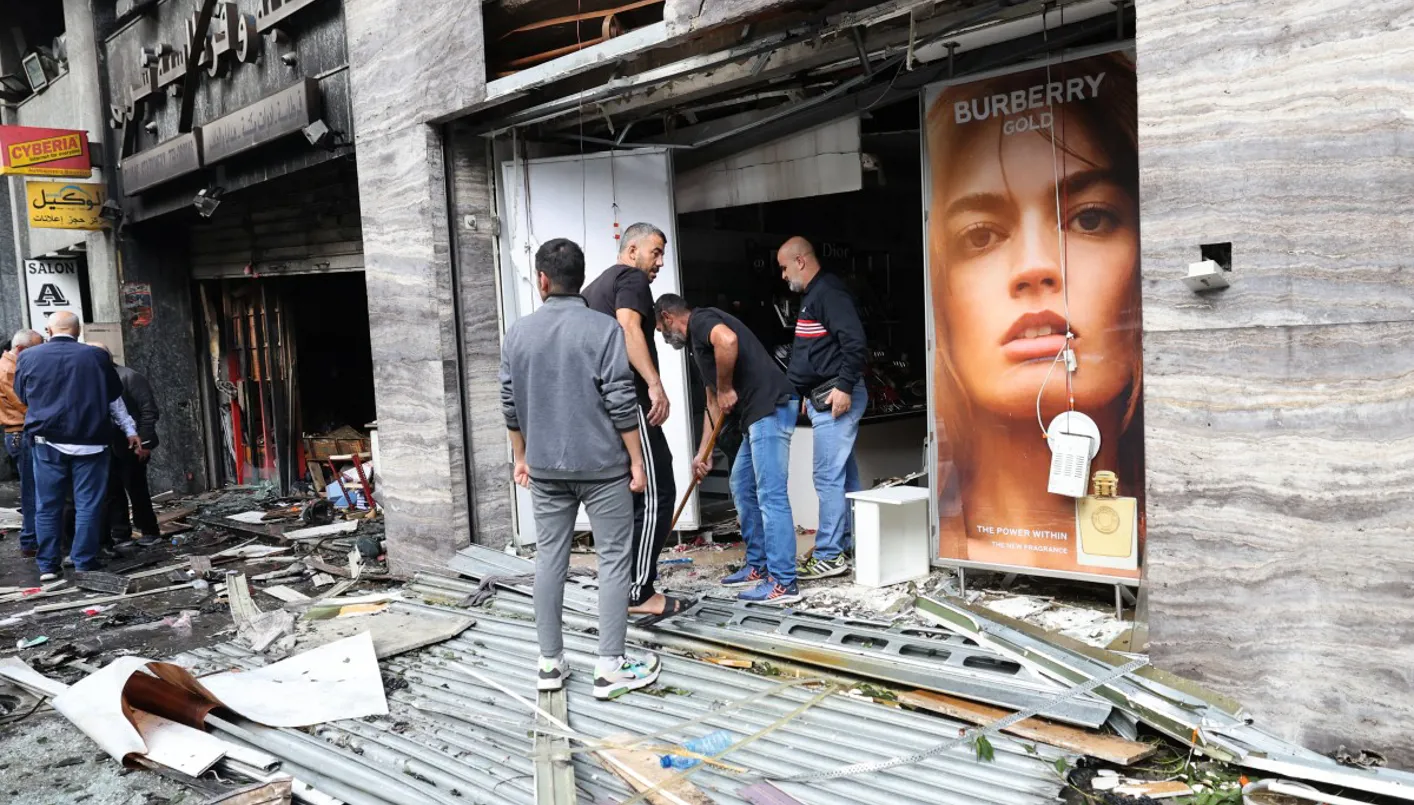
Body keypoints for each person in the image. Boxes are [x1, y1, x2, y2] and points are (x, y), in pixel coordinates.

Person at [925, 51, 1143, 572]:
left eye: (1090, 219)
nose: (1034, 267)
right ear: (942, 294)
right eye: (980, 235)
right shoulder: (942, 544)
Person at [500, 237, 661, 700]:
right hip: (604, 467)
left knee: (550, 559)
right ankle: (609, 667)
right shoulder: (604, 329)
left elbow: (509, 402)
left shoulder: (518, 333)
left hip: (546, 469)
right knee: (613, 560)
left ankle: (550, 663)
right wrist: (637, 461)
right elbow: (620, 400)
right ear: (581, 279)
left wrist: (521, 457)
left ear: (543, 280)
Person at [655, 294, 800, 604]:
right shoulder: (696, 346)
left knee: (770, 495)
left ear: (668, 317)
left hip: (769, 408)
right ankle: (758, 566)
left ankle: (784, 582)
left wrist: (725, 387)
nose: (663, 337)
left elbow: (728, 341)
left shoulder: (702, 320)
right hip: (755, 417)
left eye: (660, 329)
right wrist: (703, 452)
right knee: (742, 486)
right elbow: (713, 402)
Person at [581, 222, 682, 618]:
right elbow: (628, 326)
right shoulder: (630, 278)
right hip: (630, 403)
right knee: (658, 492)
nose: (659, 262)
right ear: (632, 249)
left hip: (603, 409)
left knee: (630, 499)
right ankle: (637, 594)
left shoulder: (594, 290)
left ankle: (621, 585)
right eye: (656, 252)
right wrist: (654, 385)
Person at [14, 312, 140, 580]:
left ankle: (48, 566)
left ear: (49, 330)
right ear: (78, 330)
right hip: (91, 442)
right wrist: (130, 429)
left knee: (48, 505)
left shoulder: (29, 357)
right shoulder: (96, 357)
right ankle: (84, 561)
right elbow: (113, 396)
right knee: (88, 504)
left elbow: (23, 396)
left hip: (47, 442)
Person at [777, 236, 868, 580]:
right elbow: (815, 353)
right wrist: (804, 390)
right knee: (843, 476)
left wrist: (844, 387)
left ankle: (830, 554)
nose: (783, 276)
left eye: (784, 268)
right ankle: (851, 543)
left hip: (835, 397)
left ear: (800, 261)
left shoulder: (828, 292)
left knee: (827, 476)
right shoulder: (813, 295)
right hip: (821, 396)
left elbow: (855, 343)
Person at [90, 343, 162, 549]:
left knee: (137, 489)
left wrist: (145, 442)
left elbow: (148, 411)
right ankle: (121, 533)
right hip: (106, 446)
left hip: (131, 444)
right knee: (112, 492)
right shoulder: (94, 379)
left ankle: (149, 530)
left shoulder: (130, 376)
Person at [1, 330, 43, 558]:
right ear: (20, 350)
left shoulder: (11, 365)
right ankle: (31, 539)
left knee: (32, 488)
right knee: (31, 489)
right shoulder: (8, 369)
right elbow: (23, 403)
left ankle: (32, 538)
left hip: (20, 431)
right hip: (21, 431)